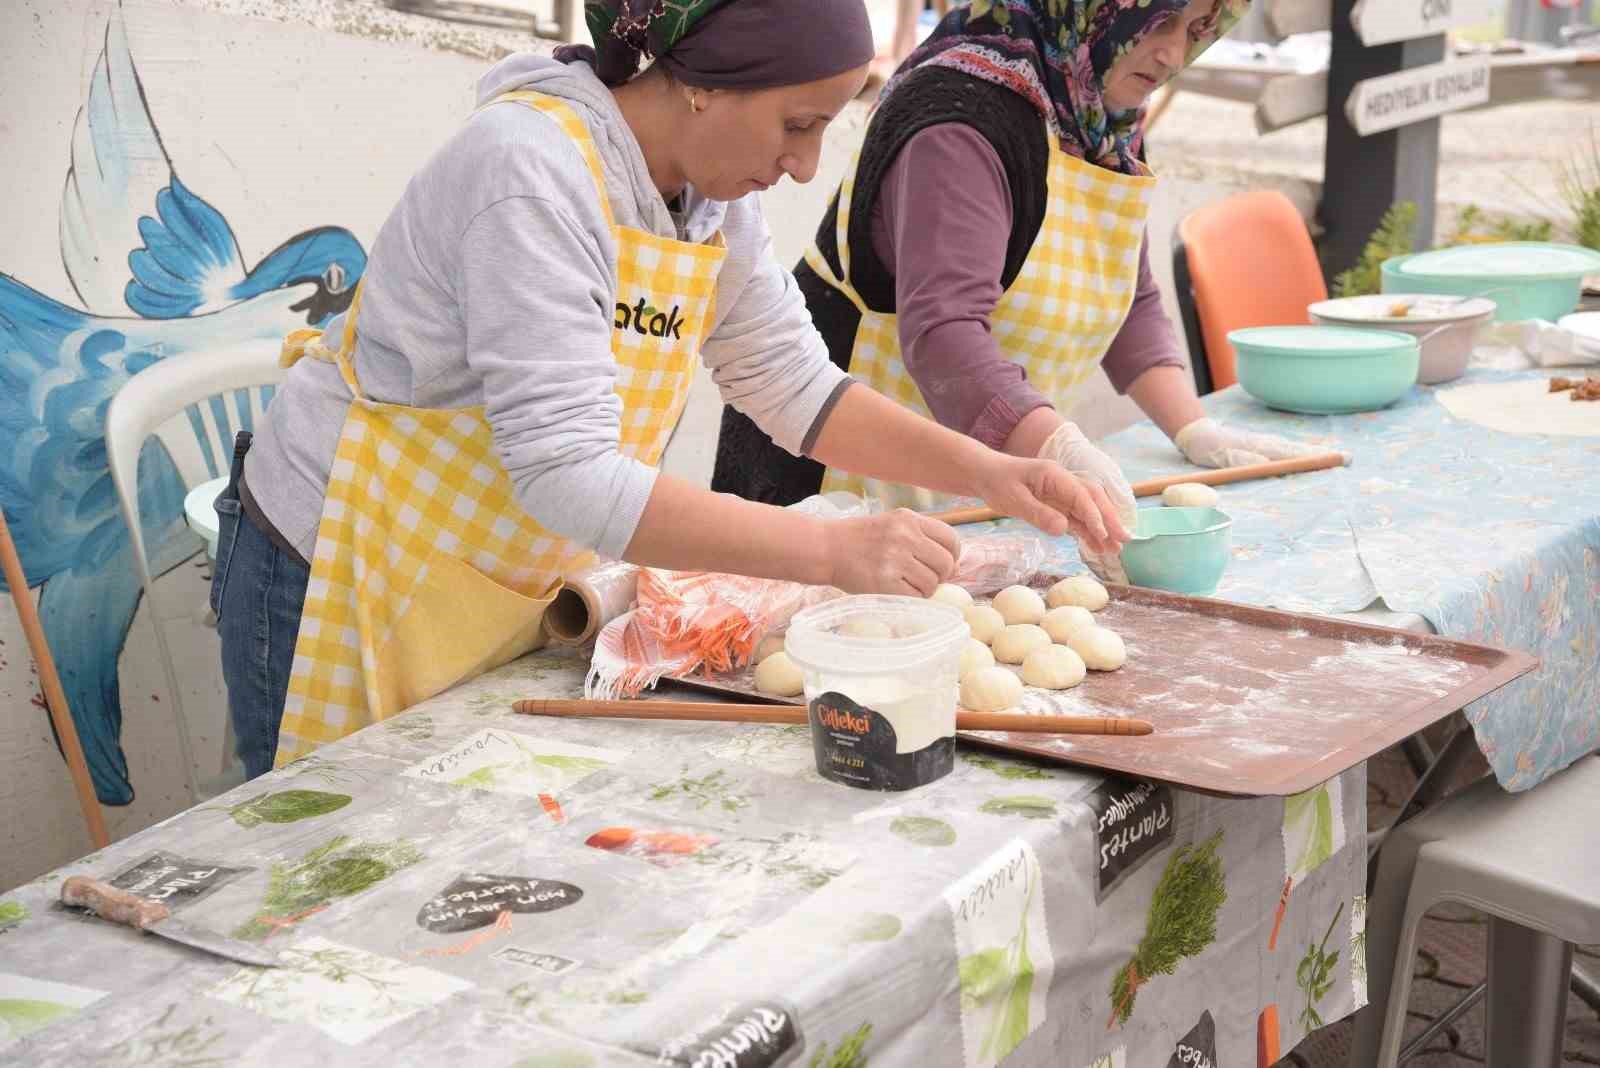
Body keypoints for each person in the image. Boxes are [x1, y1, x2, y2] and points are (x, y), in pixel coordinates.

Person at [212, 0, 1129, 779]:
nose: (807, 166)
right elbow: (569, 473)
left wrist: (992, 472)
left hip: (483, 576)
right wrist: (835, 552)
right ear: (703, 80)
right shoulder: (530, 174)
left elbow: (795, 387)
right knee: (314, 878)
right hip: (341, 563)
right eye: (797, 125)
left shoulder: (709, 198)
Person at [713, 0, 1326, 583]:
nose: (1170, 54)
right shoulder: (963, 118)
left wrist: (1196, 432)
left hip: (983, 473)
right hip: (838, 483)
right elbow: (945, 334)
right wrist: (1058, 448)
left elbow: (1125, 295)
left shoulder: (1096, 115)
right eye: (1158, 22)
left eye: (1194, 30)